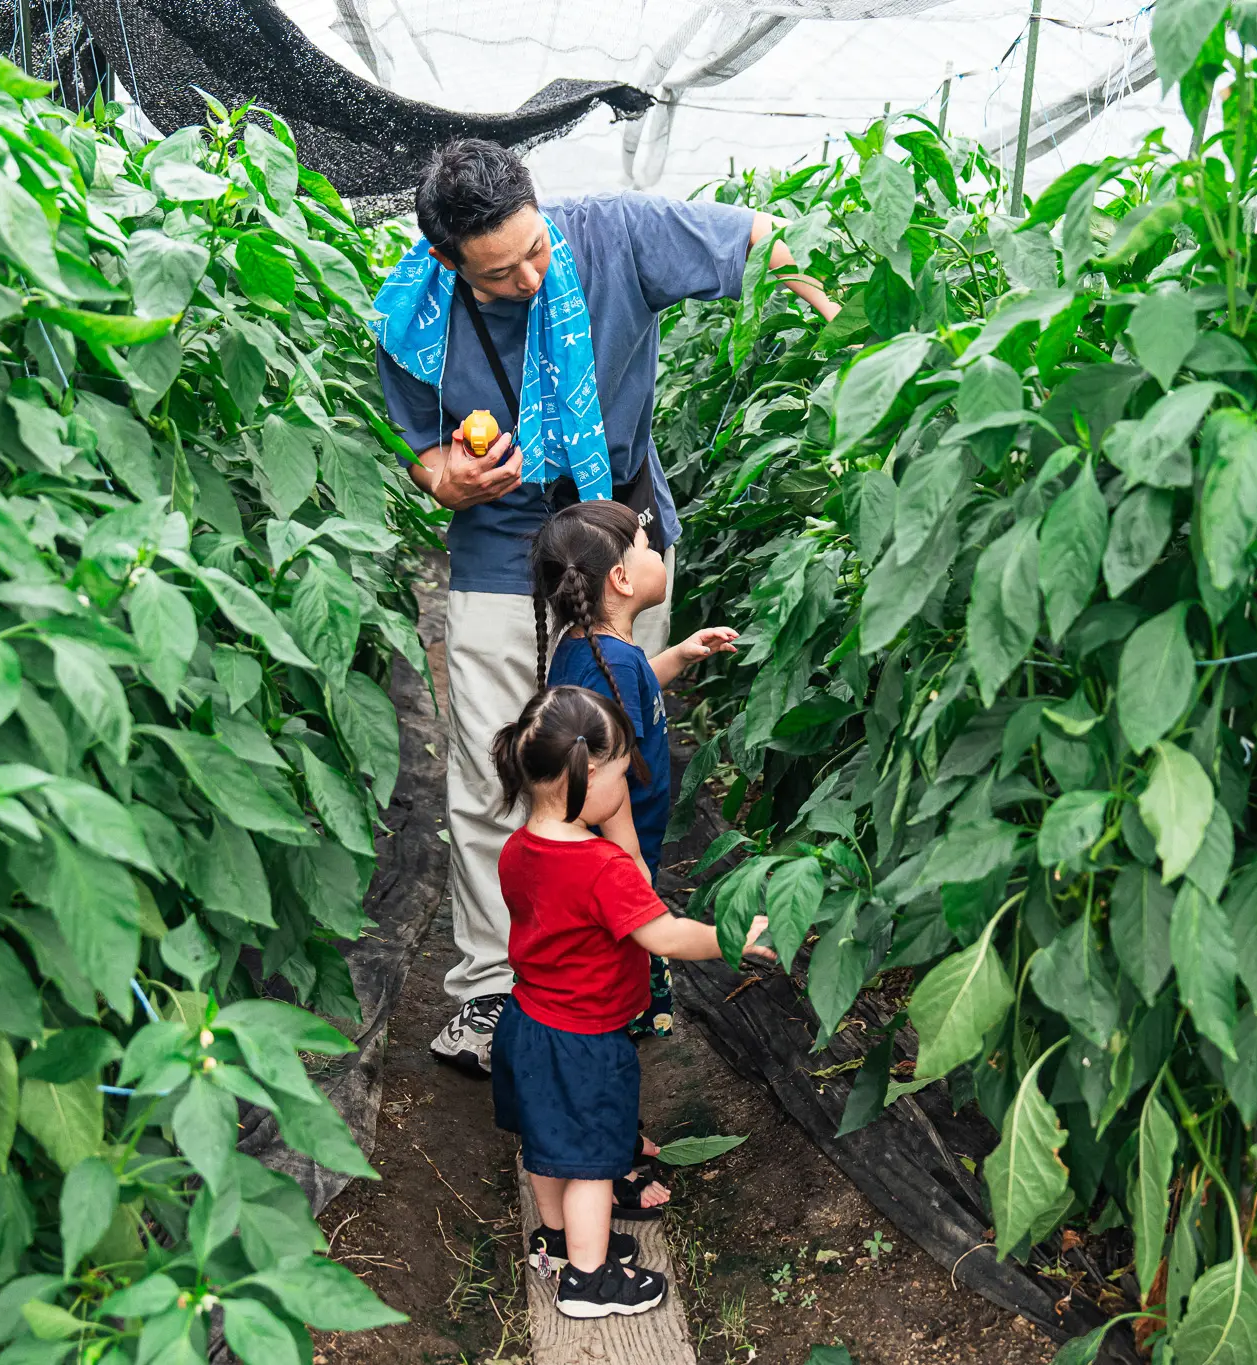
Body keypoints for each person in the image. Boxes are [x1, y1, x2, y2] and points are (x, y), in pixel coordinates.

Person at [368, 137, 835, 1074]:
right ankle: (493, 989)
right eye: (500, 274)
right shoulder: (416, 312)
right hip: (501, 550)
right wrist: (446, 477)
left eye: (535, 249)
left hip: (614, 540)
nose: (533, 277)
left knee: (616, 766)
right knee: (498, 767)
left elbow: (759, 236)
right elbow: (422, 447)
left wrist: (832, 297)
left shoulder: (616, 237)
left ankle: (611, 972)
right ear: (450, 263)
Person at [488, 685, 773, 1318]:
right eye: (621, 772)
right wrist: (737, 939)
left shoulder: (518, 850)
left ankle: (558, 1242)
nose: (629, 788)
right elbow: (664, 933)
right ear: (587, 775)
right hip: (585, 1041)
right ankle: (588, 1283)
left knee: (549, 1143)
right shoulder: (602, 869)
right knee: (592, 1161)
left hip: (528, 1023)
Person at [533, 501, 737, 1038]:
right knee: (616, 970)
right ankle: (605, 1054)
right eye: (646, 546)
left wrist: (678, 657)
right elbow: (605, 769)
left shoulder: (597, 651)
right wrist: (630, 861)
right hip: (611, 857)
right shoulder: (612, 662)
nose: (656, 551)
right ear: (621, 579)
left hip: (599, 854)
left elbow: (625, 697)